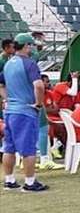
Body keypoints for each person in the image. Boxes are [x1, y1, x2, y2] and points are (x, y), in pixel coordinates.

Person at [1, 33, 49, 191]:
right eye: (32, 45)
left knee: (9, 148)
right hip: (25, 111)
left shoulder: (8, 63)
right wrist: (38, 104)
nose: (33, 48)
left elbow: (1, 84)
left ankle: (9, 180)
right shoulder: (29, 64)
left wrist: (7, 99)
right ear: (27, 45)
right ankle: (29, 182)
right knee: (28, 149)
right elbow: (39, 86)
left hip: (10, 111)